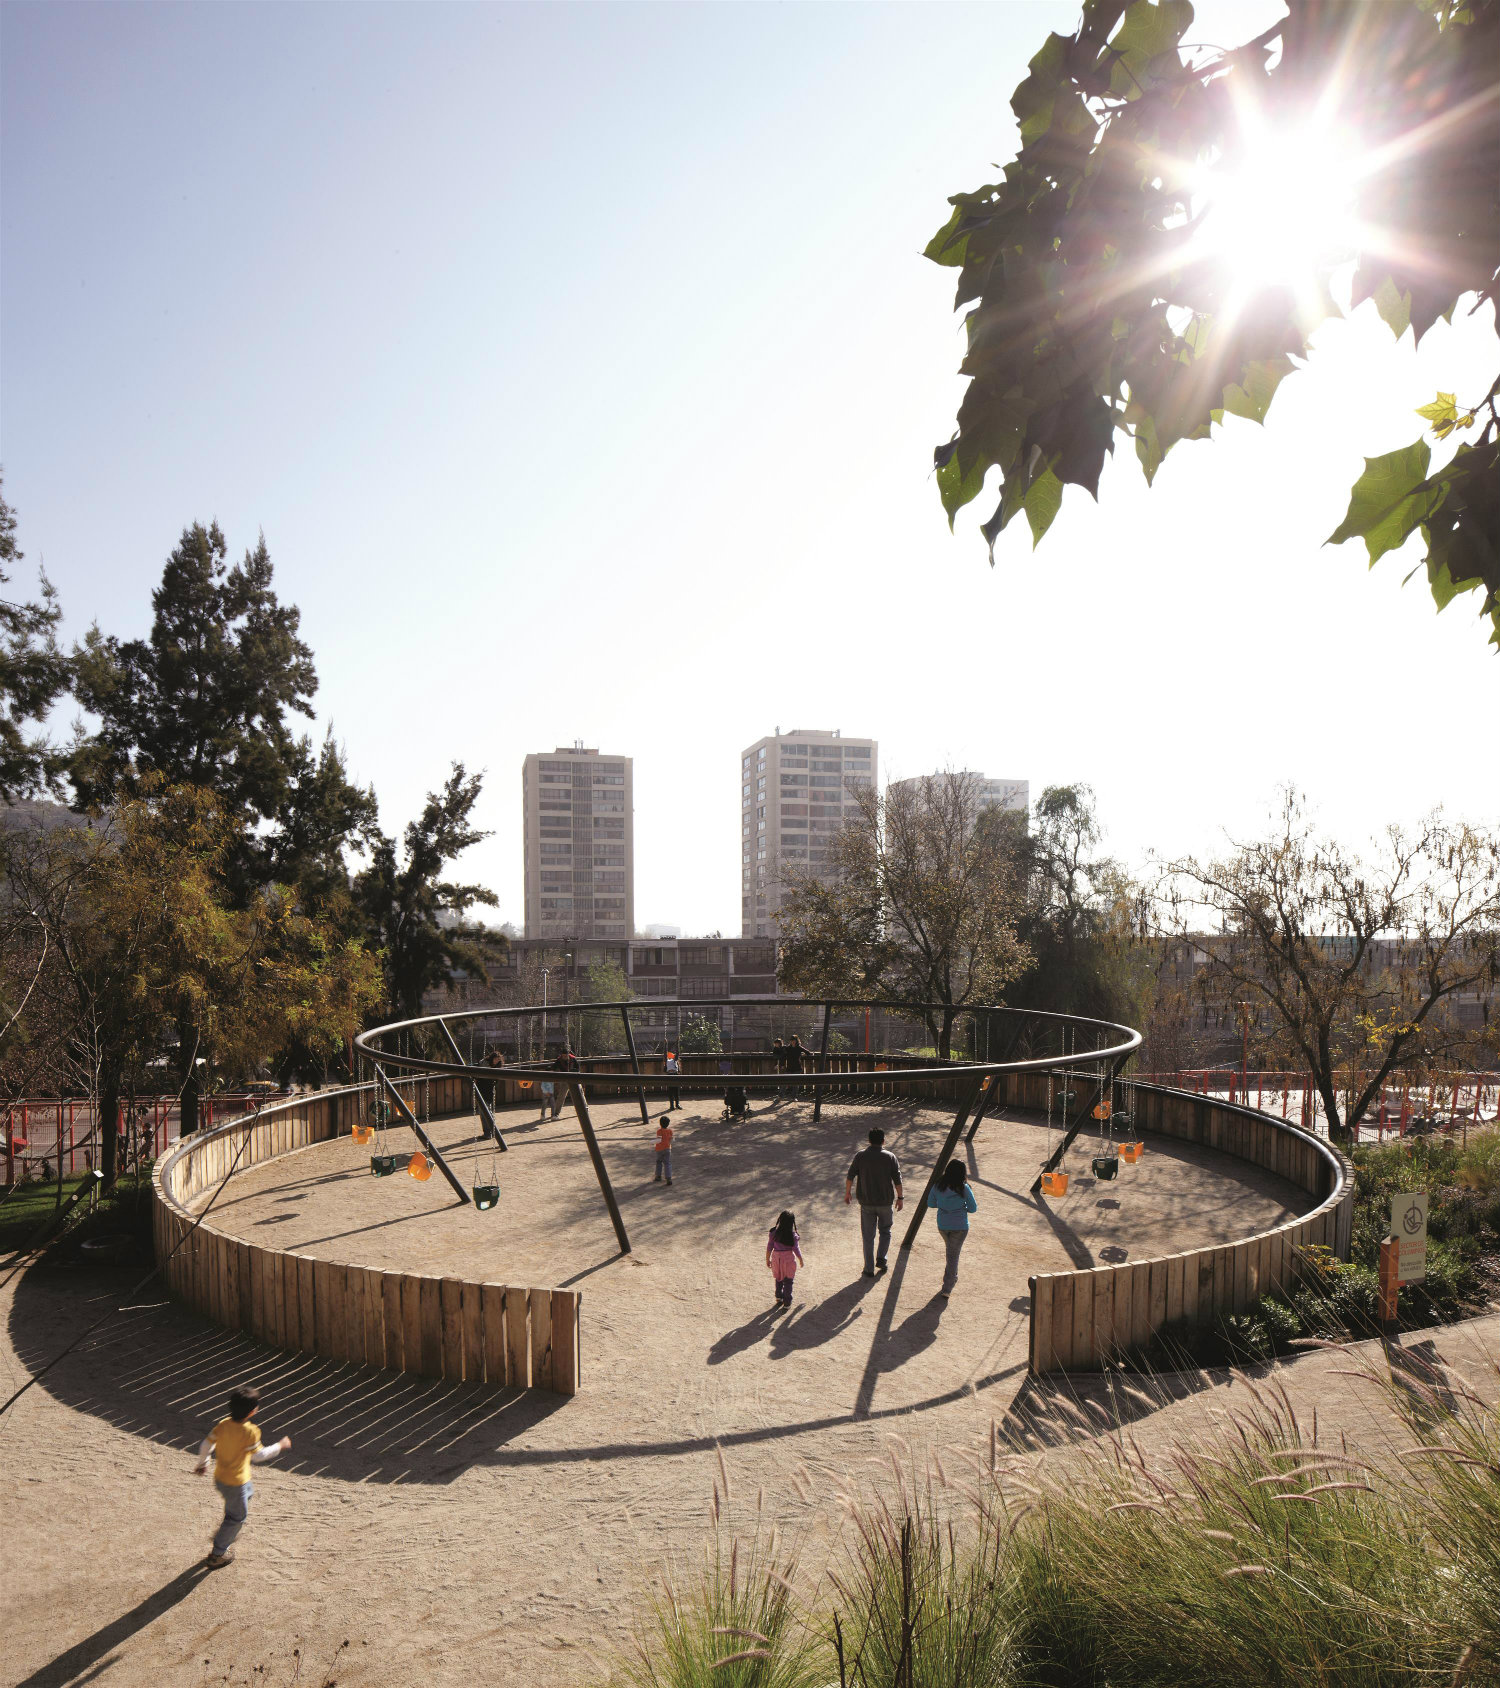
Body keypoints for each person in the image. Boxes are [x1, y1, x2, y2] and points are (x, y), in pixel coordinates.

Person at [194, 1384, 291, 1568]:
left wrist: (203, 1462)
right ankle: (218, 1554)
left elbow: (206, 1444)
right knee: (237, 1517)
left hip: (223, 1478)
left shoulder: (223, 1424)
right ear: (253, 1411)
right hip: (236, 1482)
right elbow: (259, 1456)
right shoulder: (250, 1431)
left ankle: (227, 1531)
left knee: (244, 1498)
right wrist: (280, 1445)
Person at [845, 1128, 903, 1277]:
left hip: (867, 1202)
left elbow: (850, 1176)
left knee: (868, 1236)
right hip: (885, 1202)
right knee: (885, 1231)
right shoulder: (890, 1157)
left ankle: (868, 1268)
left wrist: (848, 1193)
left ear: (869, 1140)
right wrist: (900, 1197)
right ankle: (881, 1257)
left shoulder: (860, 1156)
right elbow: (897, 1179)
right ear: (883, 1141)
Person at [927, 1158, 978, 1298]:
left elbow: (930, 1203)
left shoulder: (938, 1185)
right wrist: (961, 1207)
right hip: (960, 1226)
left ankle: (953, 1277)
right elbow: (973, 1209)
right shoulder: (964, 1188)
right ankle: (947, 1288)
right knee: (953, 1255)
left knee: (951, 1252)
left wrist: (944, 1206)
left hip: (943, 1225)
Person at [765, 1209, 804, 1308]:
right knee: (788, 1281)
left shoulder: (774, 1233)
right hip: (788, 1260)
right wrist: (800, 1259)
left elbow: (769, 1246)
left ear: (780, 1220)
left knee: (778, 1278)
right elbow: (795, 1248)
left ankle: (779, 1297)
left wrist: (767, 1259)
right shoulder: (793, 1236)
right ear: (792, 1223)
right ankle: (787, 1302)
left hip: (776, 1259)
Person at [654, 1113, 674, 1185]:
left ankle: (658, 1176)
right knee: (667, 1163)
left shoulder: (659, 1131)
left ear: (660, 1123)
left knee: (659, 1162)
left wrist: (652, 1142)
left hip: (659, 1149)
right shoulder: (670, 1131)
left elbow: (658, 1140)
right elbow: (672, 1140)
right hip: (668, 1149)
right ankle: (668, 1178)